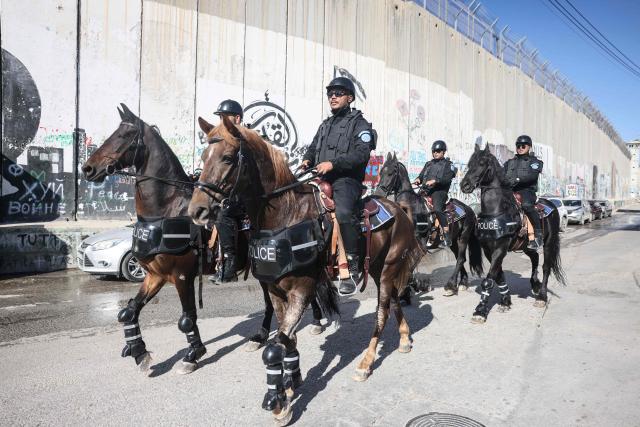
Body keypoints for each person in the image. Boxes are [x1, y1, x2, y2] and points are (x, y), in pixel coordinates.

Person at [300, 77, 376, 295]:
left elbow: (361, 154)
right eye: (330, 93)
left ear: (349, 98)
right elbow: (314, 147)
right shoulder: (325, 124)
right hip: (320, 178)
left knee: (343, 213)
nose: (333, 96)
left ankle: (352, 264)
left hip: (346, 180)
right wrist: (307, 160)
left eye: (339, 93)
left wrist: (333, 164)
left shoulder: (359, 123)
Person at [210, 99, 246, 283]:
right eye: (220, 118)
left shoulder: (248, 139)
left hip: (248, 195)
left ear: (237, 118)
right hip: (230, 193)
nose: (221, 122)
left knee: (224, 213)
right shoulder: (222, 142)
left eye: (225, 118)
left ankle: (230, 262)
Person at [503, 134, 544, 250]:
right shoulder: (509, 163)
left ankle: (538, 235)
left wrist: (517, 180)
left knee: (526, 205)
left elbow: (532, 176)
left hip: (527, 191)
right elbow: (501, 175)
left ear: (529, 147)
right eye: (518, 146)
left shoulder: (534, 162)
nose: (520, 148)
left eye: (523, 146)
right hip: (510, 191)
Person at [413, 140, 457, 247]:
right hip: (425, 191)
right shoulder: (428, 164)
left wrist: (435, 181)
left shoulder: (448, 165)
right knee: (412, 205)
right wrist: (418, 179)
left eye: (438, 151)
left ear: (443, 152)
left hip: (439, 192)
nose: (435, 153)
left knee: (437, 209)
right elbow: (422, 175)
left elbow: (447, 179)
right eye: (434, 151)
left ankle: (446, 236)